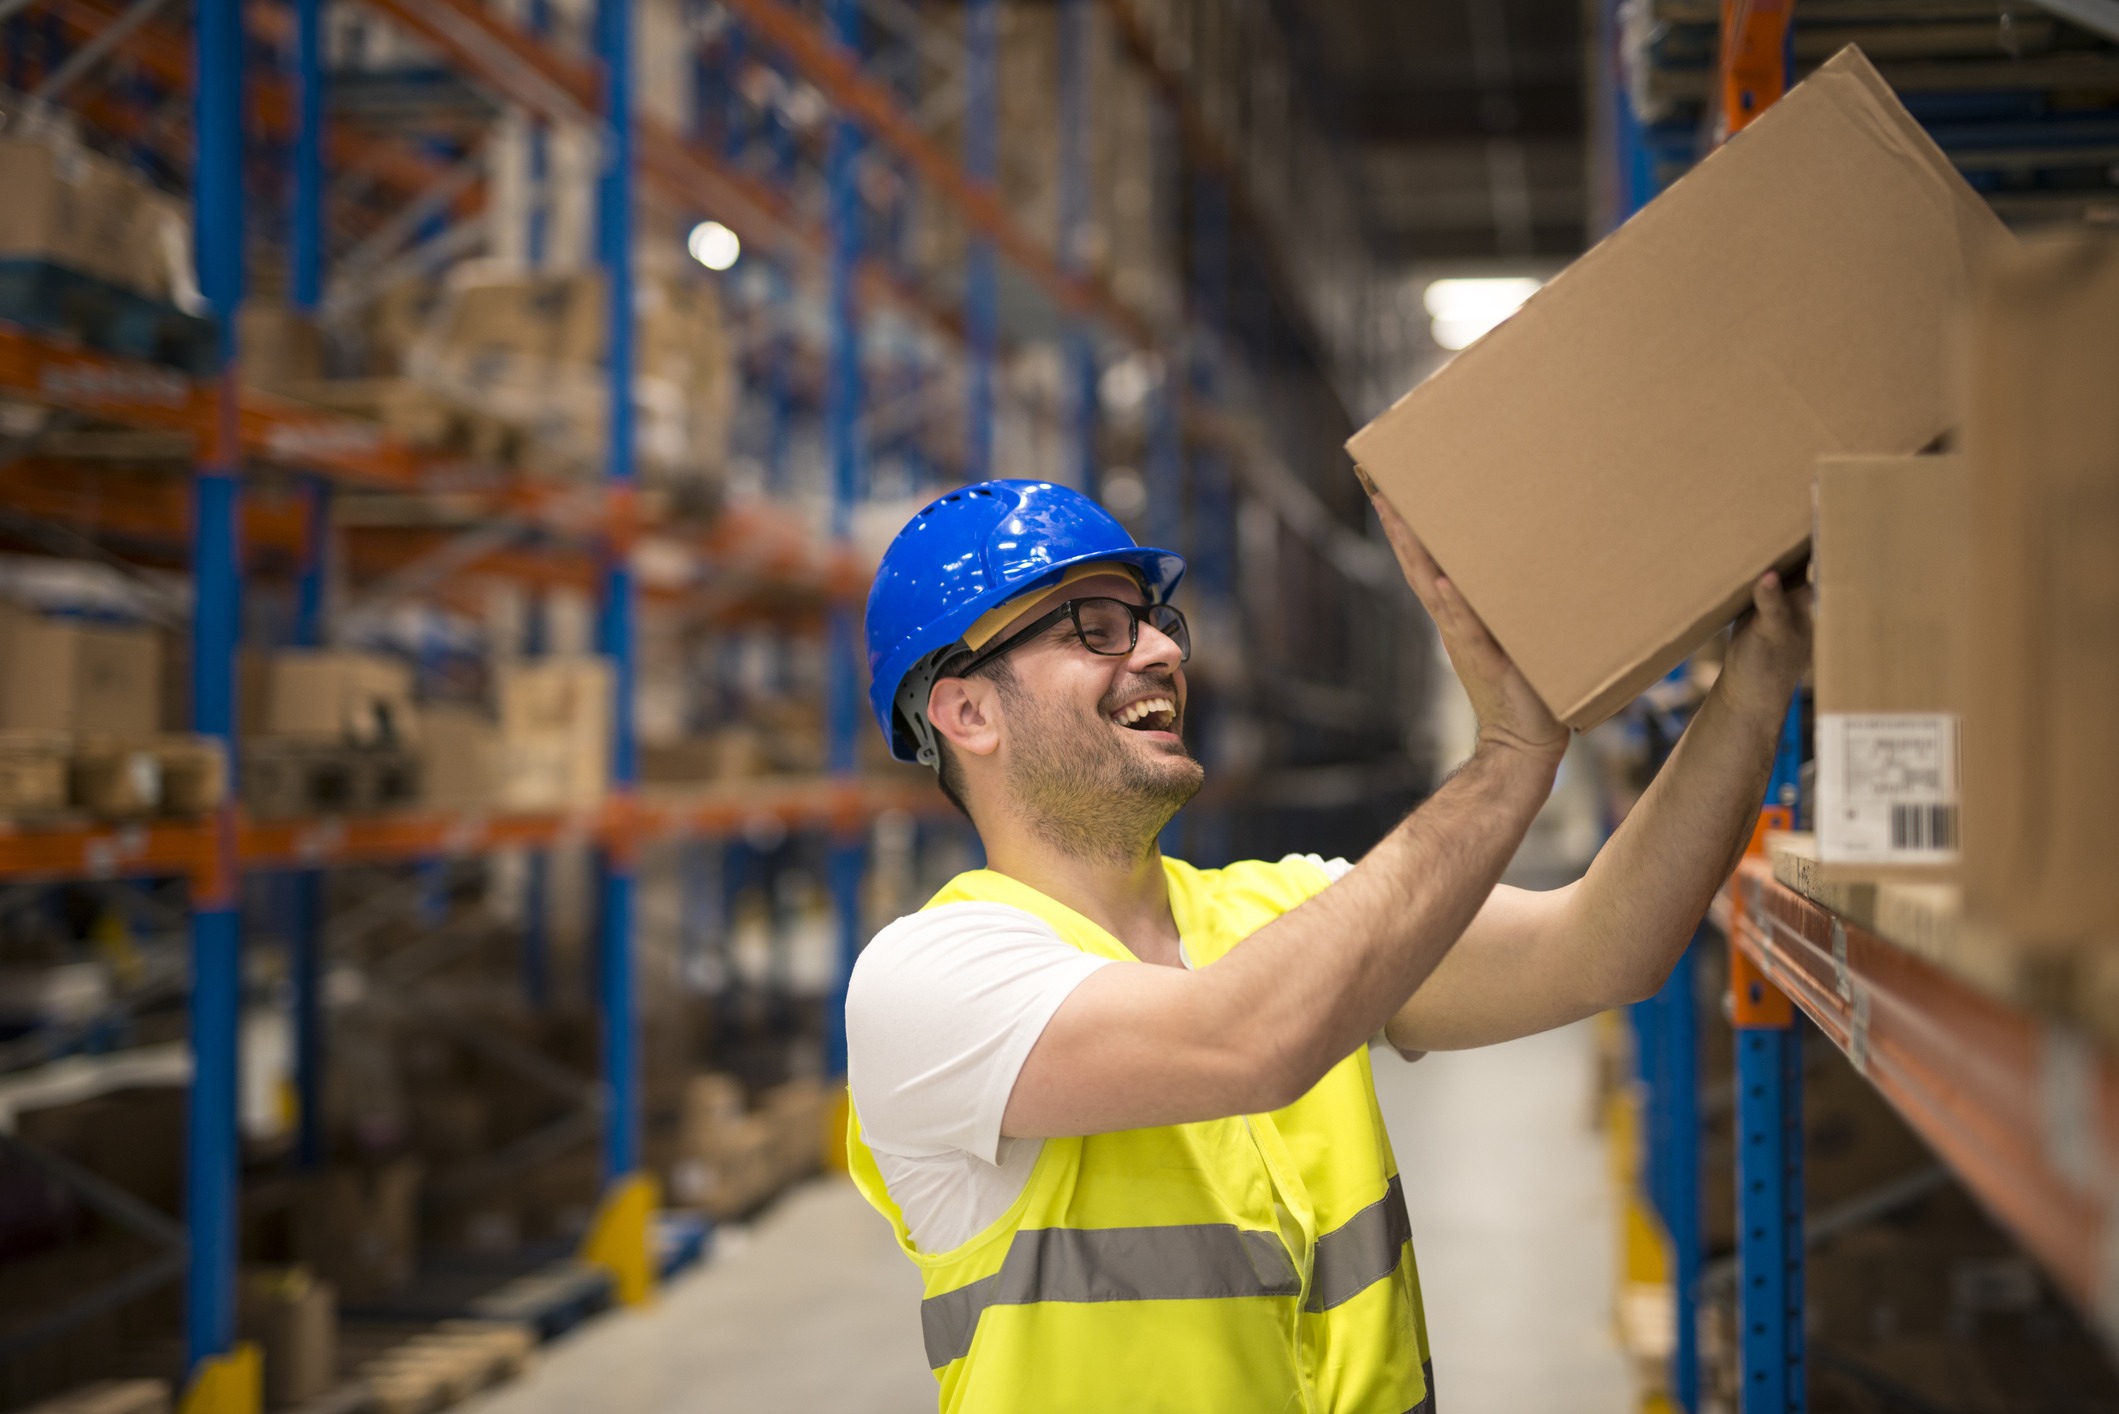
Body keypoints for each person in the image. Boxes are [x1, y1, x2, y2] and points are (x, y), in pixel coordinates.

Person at [844, 477, 1811, 1414]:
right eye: (1093, 629)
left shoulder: (1284, 910)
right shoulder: (927, 983)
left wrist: (1756, 684)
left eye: (1152, 622)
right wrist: (1509, 762)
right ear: (967, 713)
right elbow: (1244, 1042)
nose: (1157, 653)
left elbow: (1605, 947)